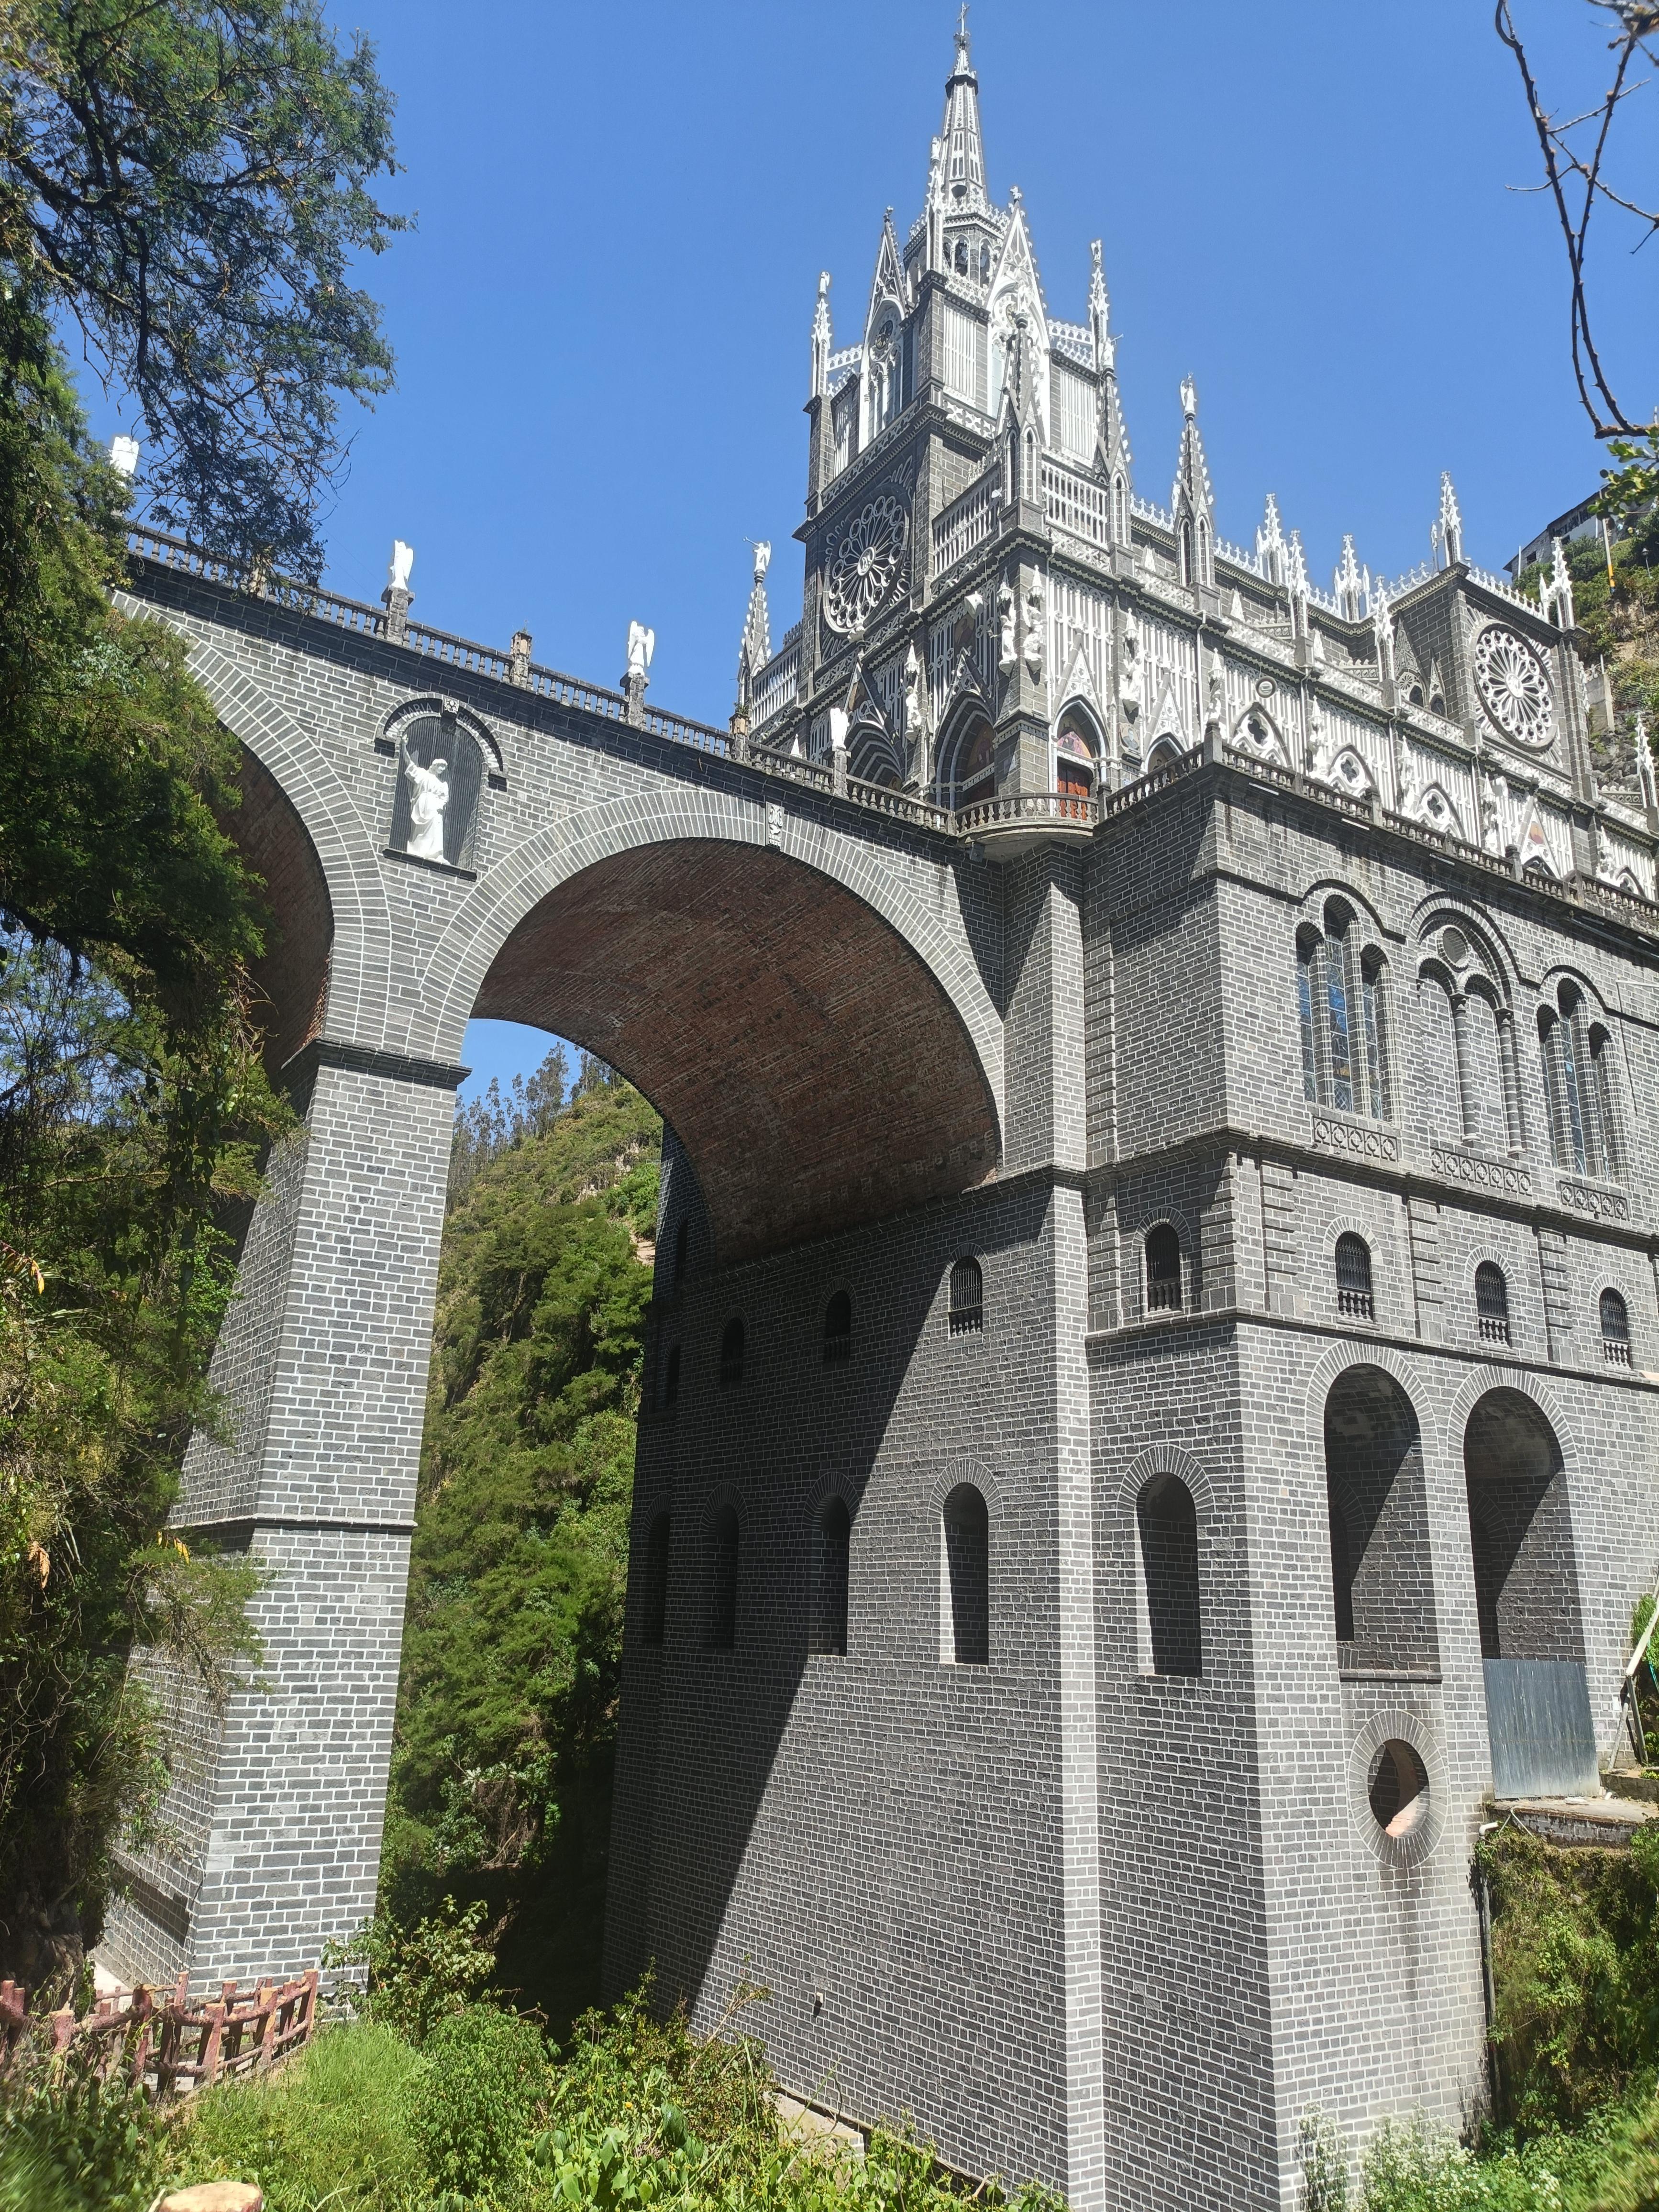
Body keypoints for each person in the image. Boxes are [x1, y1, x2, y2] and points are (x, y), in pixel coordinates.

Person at [404, 751, 449, 860]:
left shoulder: (443, 784)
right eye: (441, 767)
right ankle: (418, 851)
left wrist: (441, 806)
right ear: (435, 766)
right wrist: (404, 748)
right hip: (422, 805)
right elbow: (410, 764)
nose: (443, 770)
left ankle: (436, 854)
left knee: (437, 824)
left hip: (435, 807)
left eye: (444, 768)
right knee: (419, 831)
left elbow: (445, 798)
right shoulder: (423, 774)